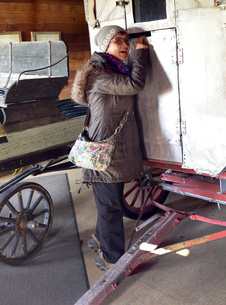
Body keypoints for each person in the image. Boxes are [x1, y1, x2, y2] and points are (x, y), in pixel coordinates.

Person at [71, 25, 149, 271]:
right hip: (104, 151)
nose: (124, 44)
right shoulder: (99, 73)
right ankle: (111, 258)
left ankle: (98, 238)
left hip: (108, 149)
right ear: (105, 46)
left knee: (109, 201)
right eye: (118, 41)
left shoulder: (110, 69)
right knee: (110, 206)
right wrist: (140, 53)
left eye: (126, 40)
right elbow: (135, 84)